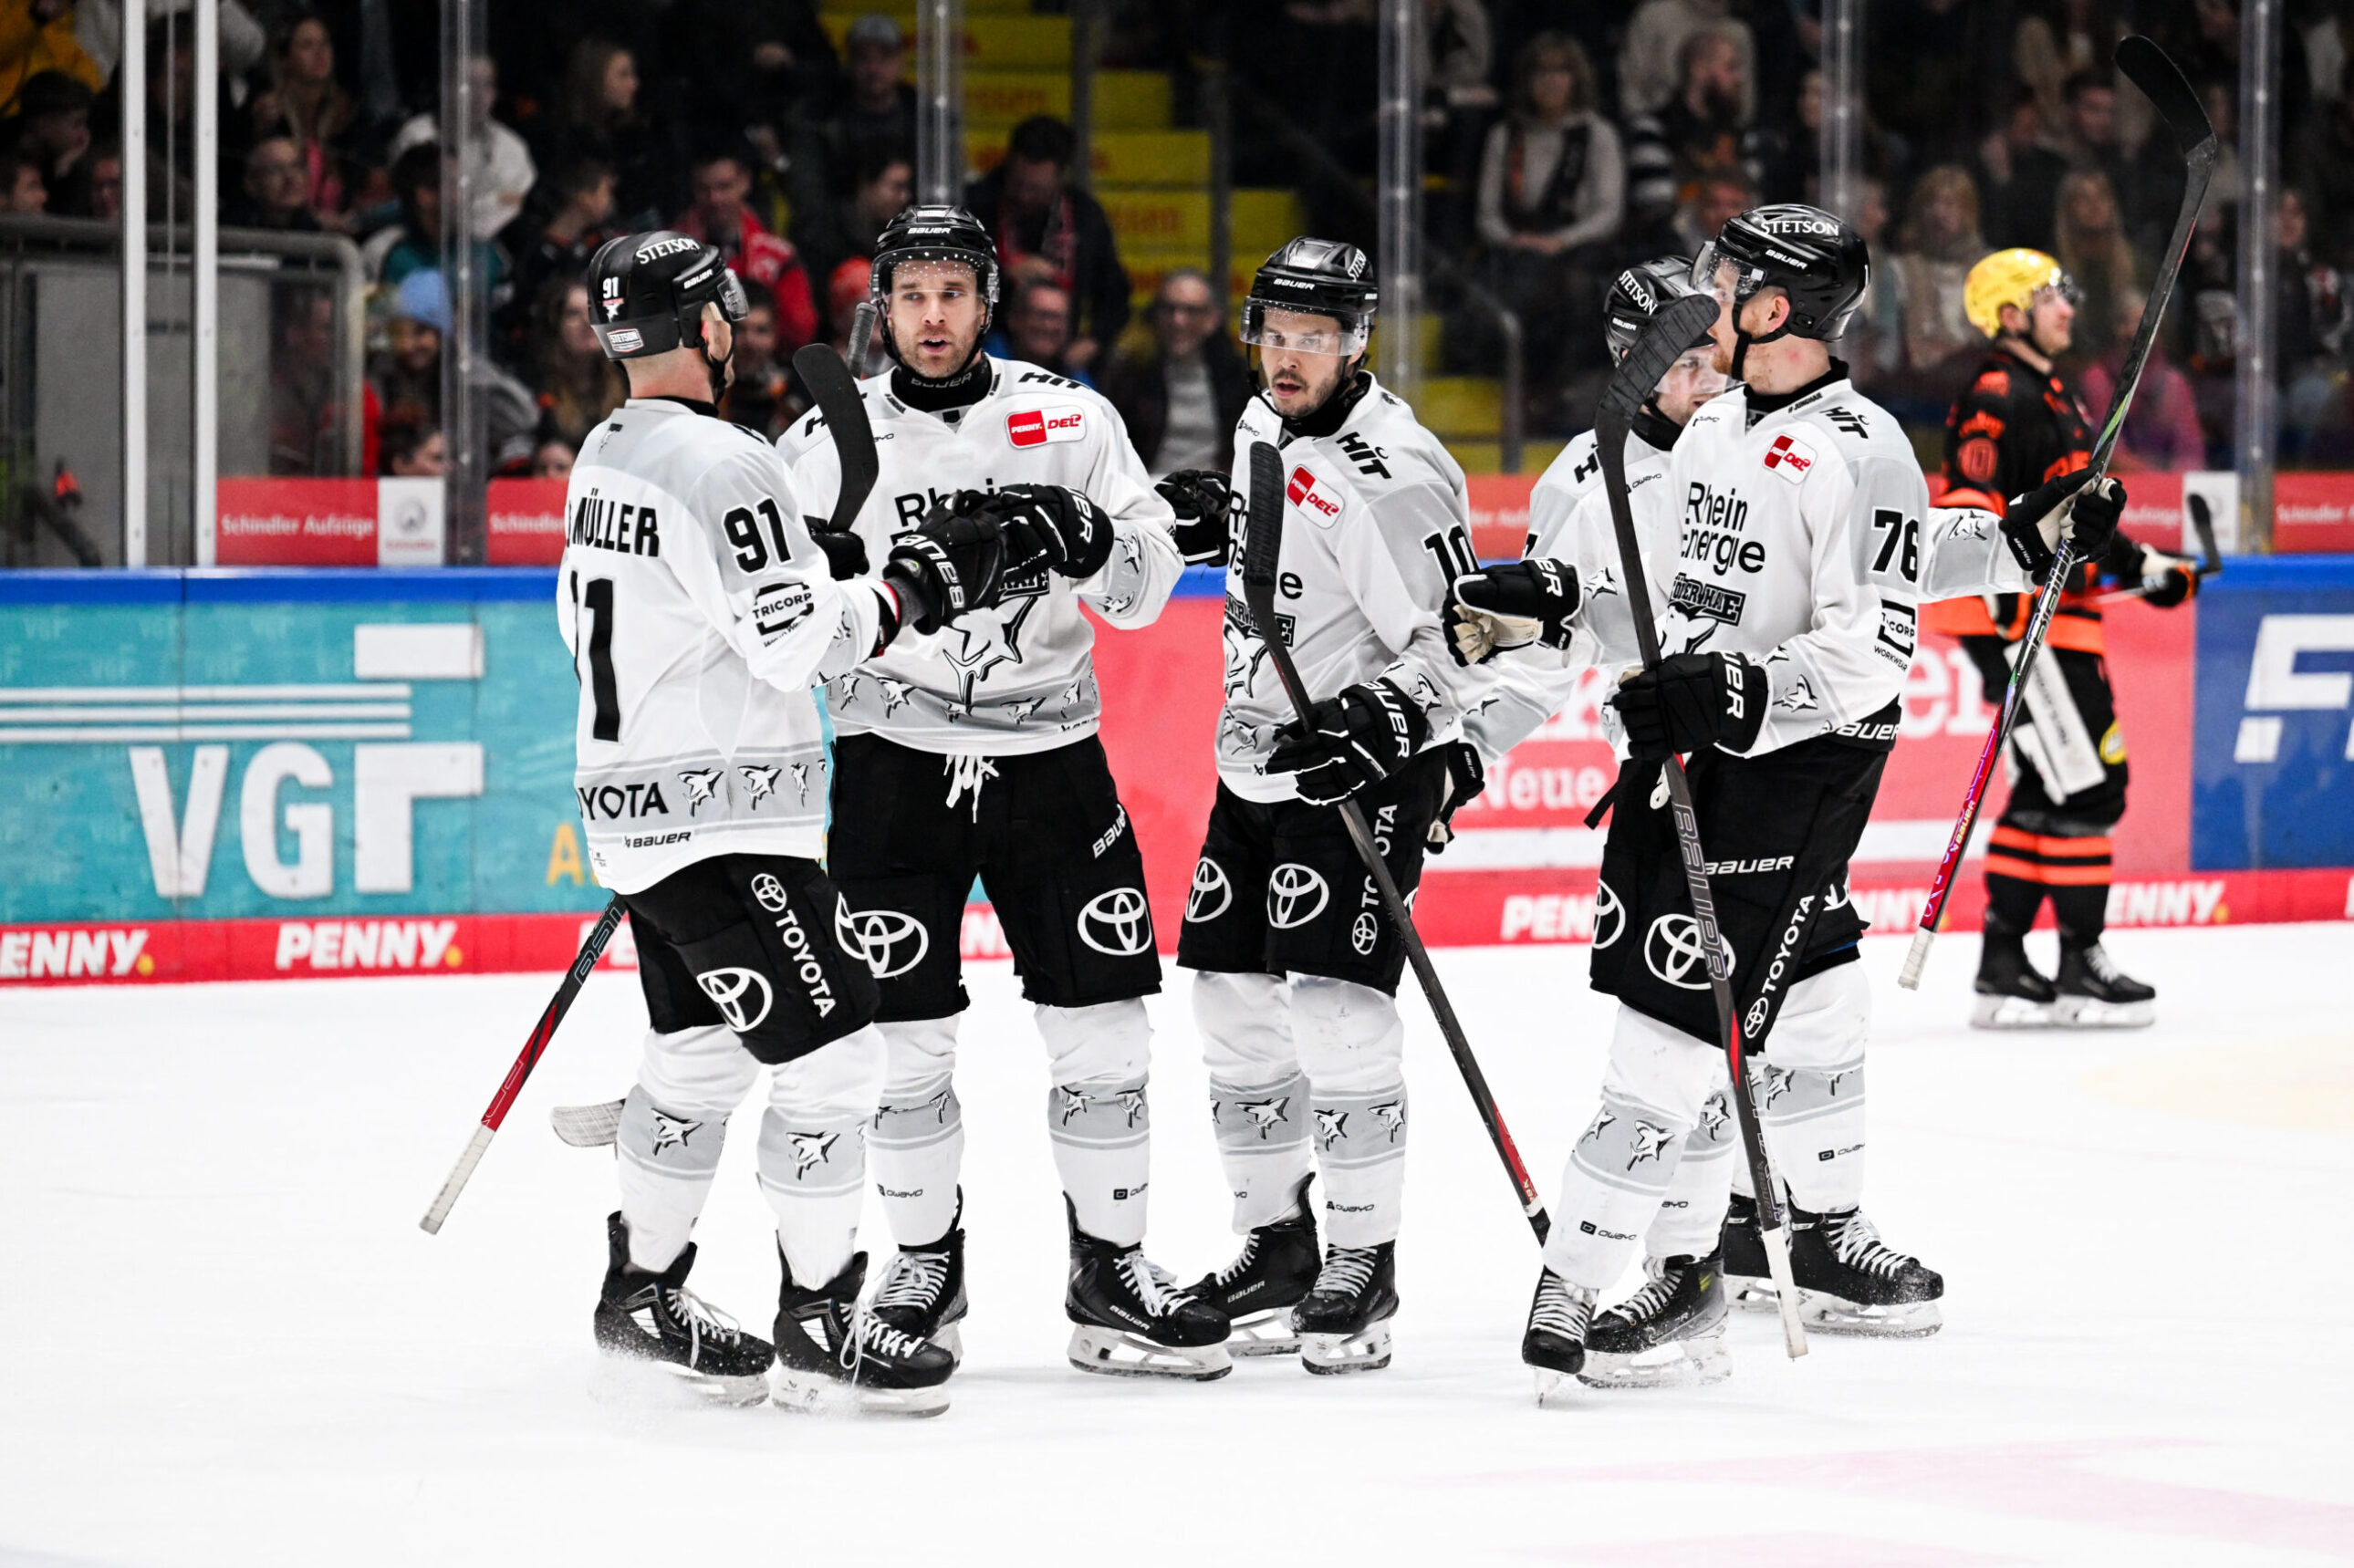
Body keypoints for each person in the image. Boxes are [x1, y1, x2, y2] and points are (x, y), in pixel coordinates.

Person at [1449, 248, 2111, 1388]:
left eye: (1723, 284)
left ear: (1771, 309)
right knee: (1785, 1003)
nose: (1702, 303)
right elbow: (1673, 595)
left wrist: (2011, 543)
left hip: (1792, 766)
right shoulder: (1708, 432)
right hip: (1695, 759)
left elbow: (1871, 629)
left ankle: (1686, 1264)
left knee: (1711, 1025)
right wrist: (1556, 607)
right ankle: (1749, 1249)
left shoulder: (1852, 443)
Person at [563, 227, 1017, 1415]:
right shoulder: (727, 462)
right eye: (727, 308)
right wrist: (909, 588)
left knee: (699, 1056)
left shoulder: (608, 449)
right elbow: (799, 647)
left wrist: (810, 567)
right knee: (838, 1056)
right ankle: (823, 1317)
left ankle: (640, 1291)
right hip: (725, 826)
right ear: (708, 322)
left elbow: (687, 604)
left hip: (639, 810)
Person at [776, 205, 1221, 1384]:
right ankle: (925, 1265)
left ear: (988, 302)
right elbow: (781, 631)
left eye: (953, 293)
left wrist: (1092, 541)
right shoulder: (822, 440)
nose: (933, 317)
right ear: (882, 307)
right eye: (911, 295)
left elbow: (1143, 593)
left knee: (1105, 1026)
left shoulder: (1072, 419)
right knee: (901, 1042)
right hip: (894, 765)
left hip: (1051, 759)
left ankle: (1110, 1269)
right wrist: (821, 595)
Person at [1172, 237, 1495, 1375]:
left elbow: (1463, 641)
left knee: (1337, 1013)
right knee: (1228, 1002)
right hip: (1255, 761)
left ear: (1357, 342)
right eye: (1277, 333)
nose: (1290, 356)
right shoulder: (1263, 420)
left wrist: (1384, 721)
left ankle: (1363, 1260)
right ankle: (1276, 1246)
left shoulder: (1395, 471)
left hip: (1356, 770)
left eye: (1316, 338)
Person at [1928, 247, 2201, 1028]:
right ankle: (2081, 963)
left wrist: (2146, 566)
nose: (2068, 307)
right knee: (2091, 788)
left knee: (2047, 791)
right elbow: (1969, 516)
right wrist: (1990, 640)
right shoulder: (1997, 394)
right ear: (2010, 312)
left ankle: (2004, 964)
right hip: (2031, 630)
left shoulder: (2056, 396)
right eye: (2051, 295)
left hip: (2066, 625)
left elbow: (2079, 519)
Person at [1474, 33, 1624, 383]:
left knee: (1574, 291)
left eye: (1561, 71)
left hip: (1578, 250)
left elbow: (1608, 213)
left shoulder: (1598, 135)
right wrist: (1512, 240)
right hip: (1516, 250)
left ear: (1576, 79)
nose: (1550, 81)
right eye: (1541, 71)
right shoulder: (1504, 136)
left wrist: (1559, 241)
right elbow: (1487, 214)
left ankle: (1557, 387)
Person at [964, 116, 1130, 374]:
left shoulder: (1084, 215)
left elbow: (1114, 292)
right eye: (1017, 184)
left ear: (1061, 178)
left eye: (1036, 189)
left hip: (1061, 357)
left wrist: (1095, 339)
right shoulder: (976, 204)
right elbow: (945, 278)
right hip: (984, 350)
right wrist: (1001, 272)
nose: (1024, 196)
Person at [1099, 268, 1252, 478]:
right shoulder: (1131, 371)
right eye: (1169, 309)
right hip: (1145, 486)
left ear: (1212, 319)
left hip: (1214, 488)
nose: (1178, 321)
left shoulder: (1235, 376)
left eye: (1191, 311)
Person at [671, 145, 818, 354]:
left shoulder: (780, 258)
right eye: (704, 189)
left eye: (724, 187)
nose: (715, 199)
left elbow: (800, 331)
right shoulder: (667, 256)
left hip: (765, 365)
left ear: (745, 182)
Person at [988, 275, 1088, 384]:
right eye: (1040, 316)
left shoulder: (1077, 380)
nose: (1048, 326)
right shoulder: (984, 368)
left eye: (1056, 318)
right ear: (1014, 318)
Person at [230, 135, 318, 230]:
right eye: (276, 169)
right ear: (251, 184)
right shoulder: (230, 229)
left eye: (296, 166)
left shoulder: (313, 229)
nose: (291, 178)